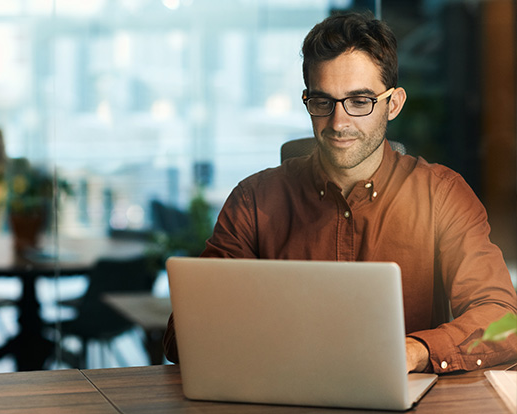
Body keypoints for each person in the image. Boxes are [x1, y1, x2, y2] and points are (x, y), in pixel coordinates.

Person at [163, 12, 517, 373]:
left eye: (359, 101)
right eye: (322, 102)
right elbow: (185, 333)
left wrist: (415, 350)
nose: (339, 122)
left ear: (392, 104)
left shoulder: (441, 196)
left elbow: (504, 321)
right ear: (307, 102)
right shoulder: (255, 201)